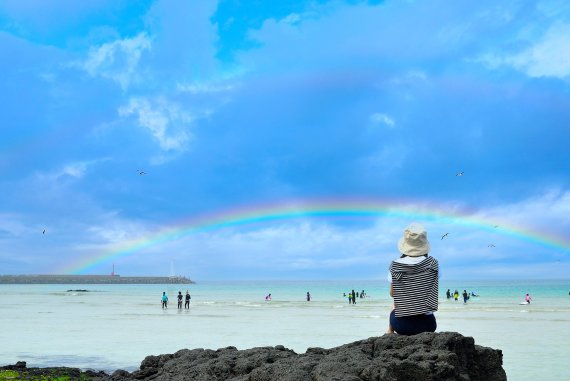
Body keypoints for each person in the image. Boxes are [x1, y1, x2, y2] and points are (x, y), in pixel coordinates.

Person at [387, 223, 438, 335]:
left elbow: (392, 294)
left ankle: (389, 332)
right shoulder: (433, 264)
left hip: (403, 326)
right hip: (429, 326)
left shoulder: (396, 266)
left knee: (394, 304)